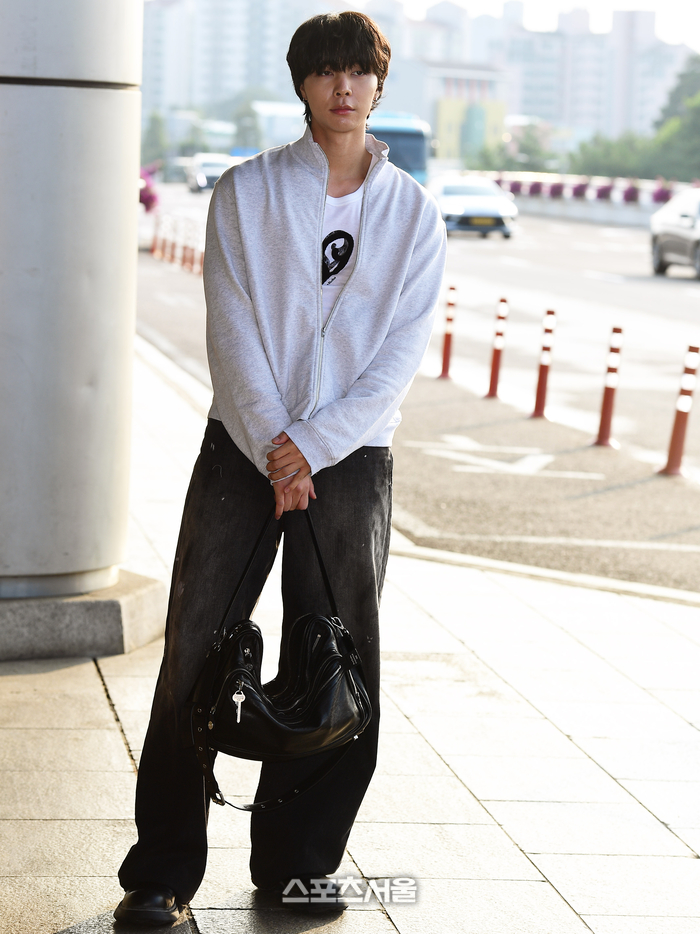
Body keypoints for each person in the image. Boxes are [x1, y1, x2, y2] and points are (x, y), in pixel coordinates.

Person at [114, 10, 445, 927]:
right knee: (194, 648)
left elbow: (399, 354)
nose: (344, 86)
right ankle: (162, 872)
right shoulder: (245, 191)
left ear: (379, 84)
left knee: (337, 655)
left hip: (353, 456)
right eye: (326, 70)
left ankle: (300, 864)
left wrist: (316, 445)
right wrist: (274, 443)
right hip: (242, 448)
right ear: (302, 83)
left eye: (359, 71)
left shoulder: (413, 213)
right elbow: (231, 327)